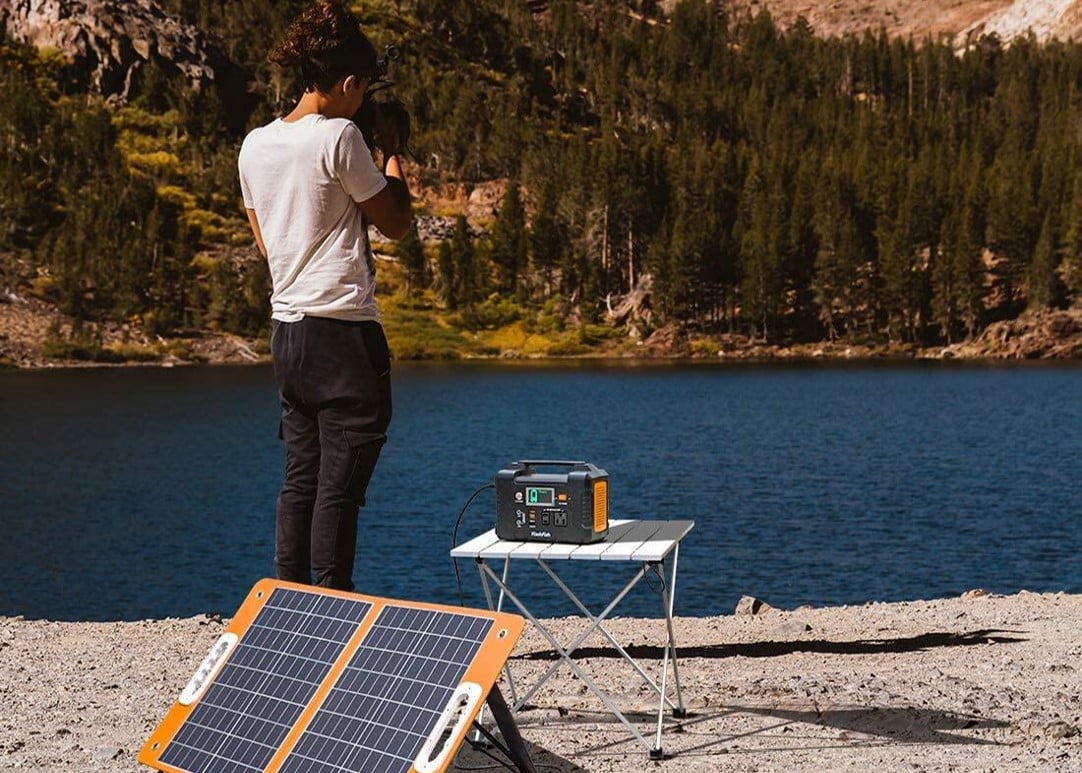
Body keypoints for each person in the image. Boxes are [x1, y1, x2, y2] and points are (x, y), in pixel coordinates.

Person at [238, 0, 412, 591]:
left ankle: (286, 613)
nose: (362, 102)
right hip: (343, 333)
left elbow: (266, 244)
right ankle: (333, 608)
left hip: (289, 334)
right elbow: (396, 222)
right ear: (346, 83)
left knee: (301, 479)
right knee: (340, 488)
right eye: (361, 92)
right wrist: (391, 149)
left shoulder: (254, 145)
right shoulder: (341, 136)